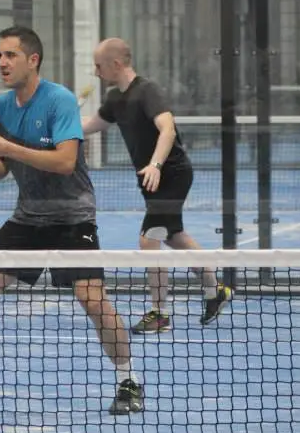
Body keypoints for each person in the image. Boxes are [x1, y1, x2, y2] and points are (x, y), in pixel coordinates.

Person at [0, 25, 144, 415]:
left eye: (11, 55)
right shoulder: (0, 107)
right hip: (28, 219)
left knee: (91, 299)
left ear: (32, 60)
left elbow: (64, 161)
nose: (2, 62)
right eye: (0, 55)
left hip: (73, 218)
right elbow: (5, 164)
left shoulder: (59, 101)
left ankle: (128, 382)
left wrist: (7, 149)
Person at [82, 37, 232, 333]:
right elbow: (90, 126)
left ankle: (159, 313)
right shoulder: (115, 98)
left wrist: (156, 164)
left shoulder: (147, 91)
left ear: (116, 64)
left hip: (171, 174)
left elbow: (167, 128)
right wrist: (59, 129)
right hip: (152, 179)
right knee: (174, 236)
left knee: (149, 238)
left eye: (99, 66)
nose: (96, 72)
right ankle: (215, 291)